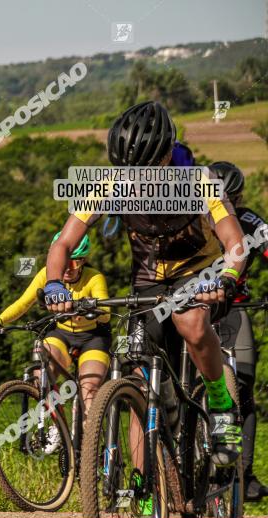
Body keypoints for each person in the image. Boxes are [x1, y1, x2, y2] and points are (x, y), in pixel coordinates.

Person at [47, 101, 245, 468]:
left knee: (190, 321)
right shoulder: (110, 184)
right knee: (140, 382)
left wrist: (228, 276)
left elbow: (234, 240)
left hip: (198, 271)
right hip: (147, 279)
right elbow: (63, 242)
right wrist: (55, 284)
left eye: (147, 170)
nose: (138, 181)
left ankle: (220, 403)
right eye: (130, 172)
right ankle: (143, 494)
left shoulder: (201, 181)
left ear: (169, 155)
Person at [0, 233, 110, 415]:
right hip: (62, 334)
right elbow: (23, 303)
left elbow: (106, 315)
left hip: (93, 338)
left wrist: (92, 313)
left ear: (83, 261)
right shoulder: (47, 274)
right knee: (41, 376)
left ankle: (89, 439)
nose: (67, 268)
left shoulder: (94, 277)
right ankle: (59, 428)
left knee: (89, 391)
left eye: (73, 262)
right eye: (63, 261)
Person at [210, 161, 268, 500]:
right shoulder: (195, 217)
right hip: (195, 308)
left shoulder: (248, 220)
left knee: (243, 390)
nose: (228, 204)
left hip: (236, 309)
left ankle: (244, 475)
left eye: (233, 197)